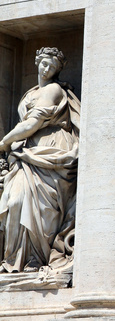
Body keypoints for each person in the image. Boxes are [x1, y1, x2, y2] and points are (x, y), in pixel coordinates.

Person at [0, 47, 80, 274]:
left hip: (49, 149)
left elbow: (32, 124)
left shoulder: (53, 90)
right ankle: (16, 258)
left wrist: (4, 143)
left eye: (52, 67)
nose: (47, 69)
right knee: (15, 202)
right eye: (44, 64)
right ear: (37, 62)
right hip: (27, 152)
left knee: (38, 207)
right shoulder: (31, 92)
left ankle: (35, 258)